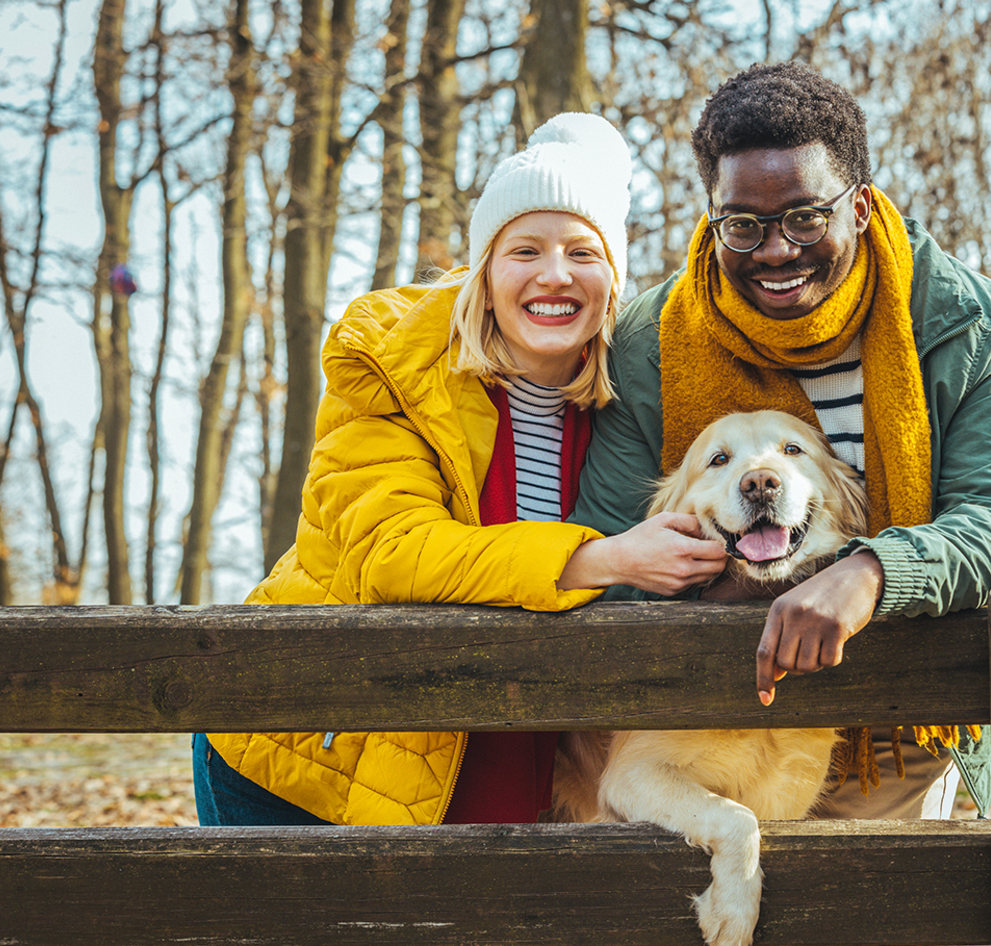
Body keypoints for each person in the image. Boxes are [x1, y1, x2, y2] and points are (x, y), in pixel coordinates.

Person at [194, 113, 727, 827]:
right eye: (524, 250)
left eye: (583, 252)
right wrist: (607, 558)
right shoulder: (395, 367)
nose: (555, 275)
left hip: (494, 741)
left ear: (613, 278)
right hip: (307, 749)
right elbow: (394, 553)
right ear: (485, 268)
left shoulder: (628, 402)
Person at [571, 63, 991, 819]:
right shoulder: (649, 343)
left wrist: (871, 573)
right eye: (743, 225)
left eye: (804, 217)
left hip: (897, 718)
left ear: (858, 207)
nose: (774, 252)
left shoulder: (961, 322)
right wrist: (723, 579)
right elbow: (600, 543)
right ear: (713, 216)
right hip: (702, 719)